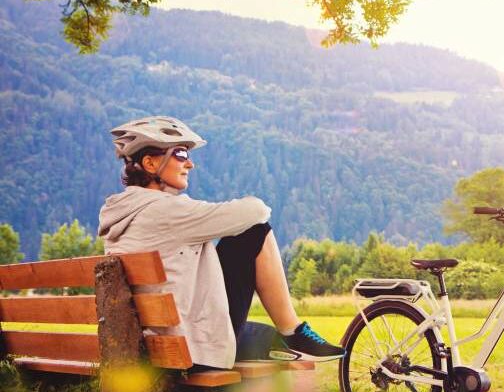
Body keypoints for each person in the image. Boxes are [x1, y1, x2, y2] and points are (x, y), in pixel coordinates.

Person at [98, 116, 344, 373]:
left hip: (151, 346)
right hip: (189, 351)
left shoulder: (120, 215)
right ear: (149, 163)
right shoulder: (167, 211)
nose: (190, 164)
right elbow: (256, 210)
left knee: (266, 338)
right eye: (180, 154)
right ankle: (293, 330)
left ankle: (287, 338)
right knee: (254, 231)